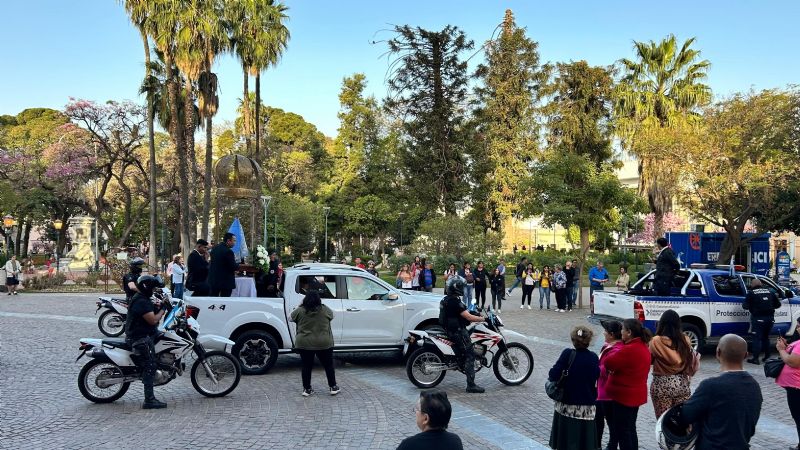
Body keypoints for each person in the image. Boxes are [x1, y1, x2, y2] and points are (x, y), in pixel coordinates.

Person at [676, 334, 762, 450]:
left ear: (718, 352)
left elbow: (685, 415)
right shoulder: (755, 386)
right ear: (746, 355)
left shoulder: (710, 386)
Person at [548, 326, 600, 450]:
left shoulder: (568, 354)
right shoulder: (593, 357)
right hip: (586, 409)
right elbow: (596, 376)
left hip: (567, 406)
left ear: (573, 340)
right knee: (584, 444)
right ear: (588, 341)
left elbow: (553, 375)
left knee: (566, 443)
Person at [604, 318, 652, 450]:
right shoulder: (643, 346)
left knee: (623, 431)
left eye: (623, 330)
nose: (621, 332)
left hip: (624, 396)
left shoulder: (629, 349)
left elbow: (608, 362)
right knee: (630, 428)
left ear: (629, 332)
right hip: (635, 395)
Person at [124, 274, 167, 409]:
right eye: (153, 288)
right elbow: (153, 320)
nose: (153, 291)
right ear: (146, 287)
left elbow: (151, 312)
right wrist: (163, 309)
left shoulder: (142, 298)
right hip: (138, 337)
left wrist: (160, 305)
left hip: (142, 333)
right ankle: (149, 400)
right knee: (150, 365)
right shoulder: (141, 301)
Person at [439, 276, 485, 393]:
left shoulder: (447, 299)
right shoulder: (455, 301)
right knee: (470, 355)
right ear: (456, 288)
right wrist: (483, 319)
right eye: (461, 287)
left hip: (450, 330)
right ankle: (471, 385)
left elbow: (463, 312)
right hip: (457, 331)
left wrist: (474, 313)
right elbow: (468, 317)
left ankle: (461, 362)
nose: (462, 289)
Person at [290, 291, 339, 397]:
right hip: (323, 342)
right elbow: (333, 315)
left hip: (304, 342)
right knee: (328, 365)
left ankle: (307, 389)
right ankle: (333, 387)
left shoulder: (300, 310)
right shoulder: (324, 309)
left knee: (306, 366)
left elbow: (290, 318)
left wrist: (300, 305)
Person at [649, 309, 695, 418]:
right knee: (681, 419)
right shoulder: (685, 340)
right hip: (682, 383)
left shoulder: (656, 341)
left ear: (661, 323)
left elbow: (649, 359)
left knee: (664, 420)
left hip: (661, 384)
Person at [397, 390, 463, 450]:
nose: (415, 412)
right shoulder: (455, 441)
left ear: (426, 418)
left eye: (417, 409)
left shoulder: (408, 445)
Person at [596, 320, 624, 450]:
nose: (603, 333)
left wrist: (594, 369)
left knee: (612, 423)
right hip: (601, 391)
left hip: (608, 394)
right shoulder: (608, 346)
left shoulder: (616, 350)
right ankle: (597, 445)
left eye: (605, 331)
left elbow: (605, 370)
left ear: (612, 334)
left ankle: (611, 446)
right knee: (598, 420)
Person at [742, 277, 781, 364]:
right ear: (761, 284)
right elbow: (778, 305)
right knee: (766, 338)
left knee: (757, 338)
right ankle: (767, 356)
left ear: (752, 285)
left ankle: (755, 359)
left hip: (758, 319)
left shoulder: (751, 293)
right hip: (770, 319)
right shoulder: (770, 292)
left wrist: (752, 305)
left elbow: (745, 306)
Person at [776, 332, 800, 450]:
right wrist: (786, 347)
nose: (798, 328)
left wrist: (781, 350)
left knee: (799, 416)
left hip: (797, 387)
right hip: (794, 386)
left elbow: (792, 361)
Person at [207, 232, 239, 297]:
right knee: (225, 301)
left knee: (212, 300)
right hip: (225, 282)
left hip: (214, 280)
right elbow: (233, 266)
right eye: (234, 241)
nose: (235, 243)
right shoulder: (228, 251)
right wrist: (237, 265)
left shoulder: (214, 248)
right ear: (228, 241)